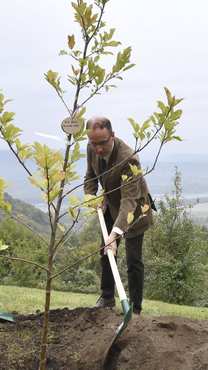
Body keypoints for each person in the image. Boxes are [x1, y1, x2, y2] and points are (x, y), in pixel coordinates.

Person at [84, 117, 155, 315]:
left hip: (134, 210)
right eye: (94, 143)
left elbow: (129, 200)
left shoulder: (128, 158)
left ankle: (135, 308)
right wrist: (91, 198)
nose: (99, 148)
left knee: (133, 260)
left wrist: (115, 235)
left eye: (103, 143)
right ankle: (107, 297)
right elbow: (91, 176)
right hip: (109, 205)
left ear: (112, 136)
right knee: (105, 251)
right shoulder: (91, 148)